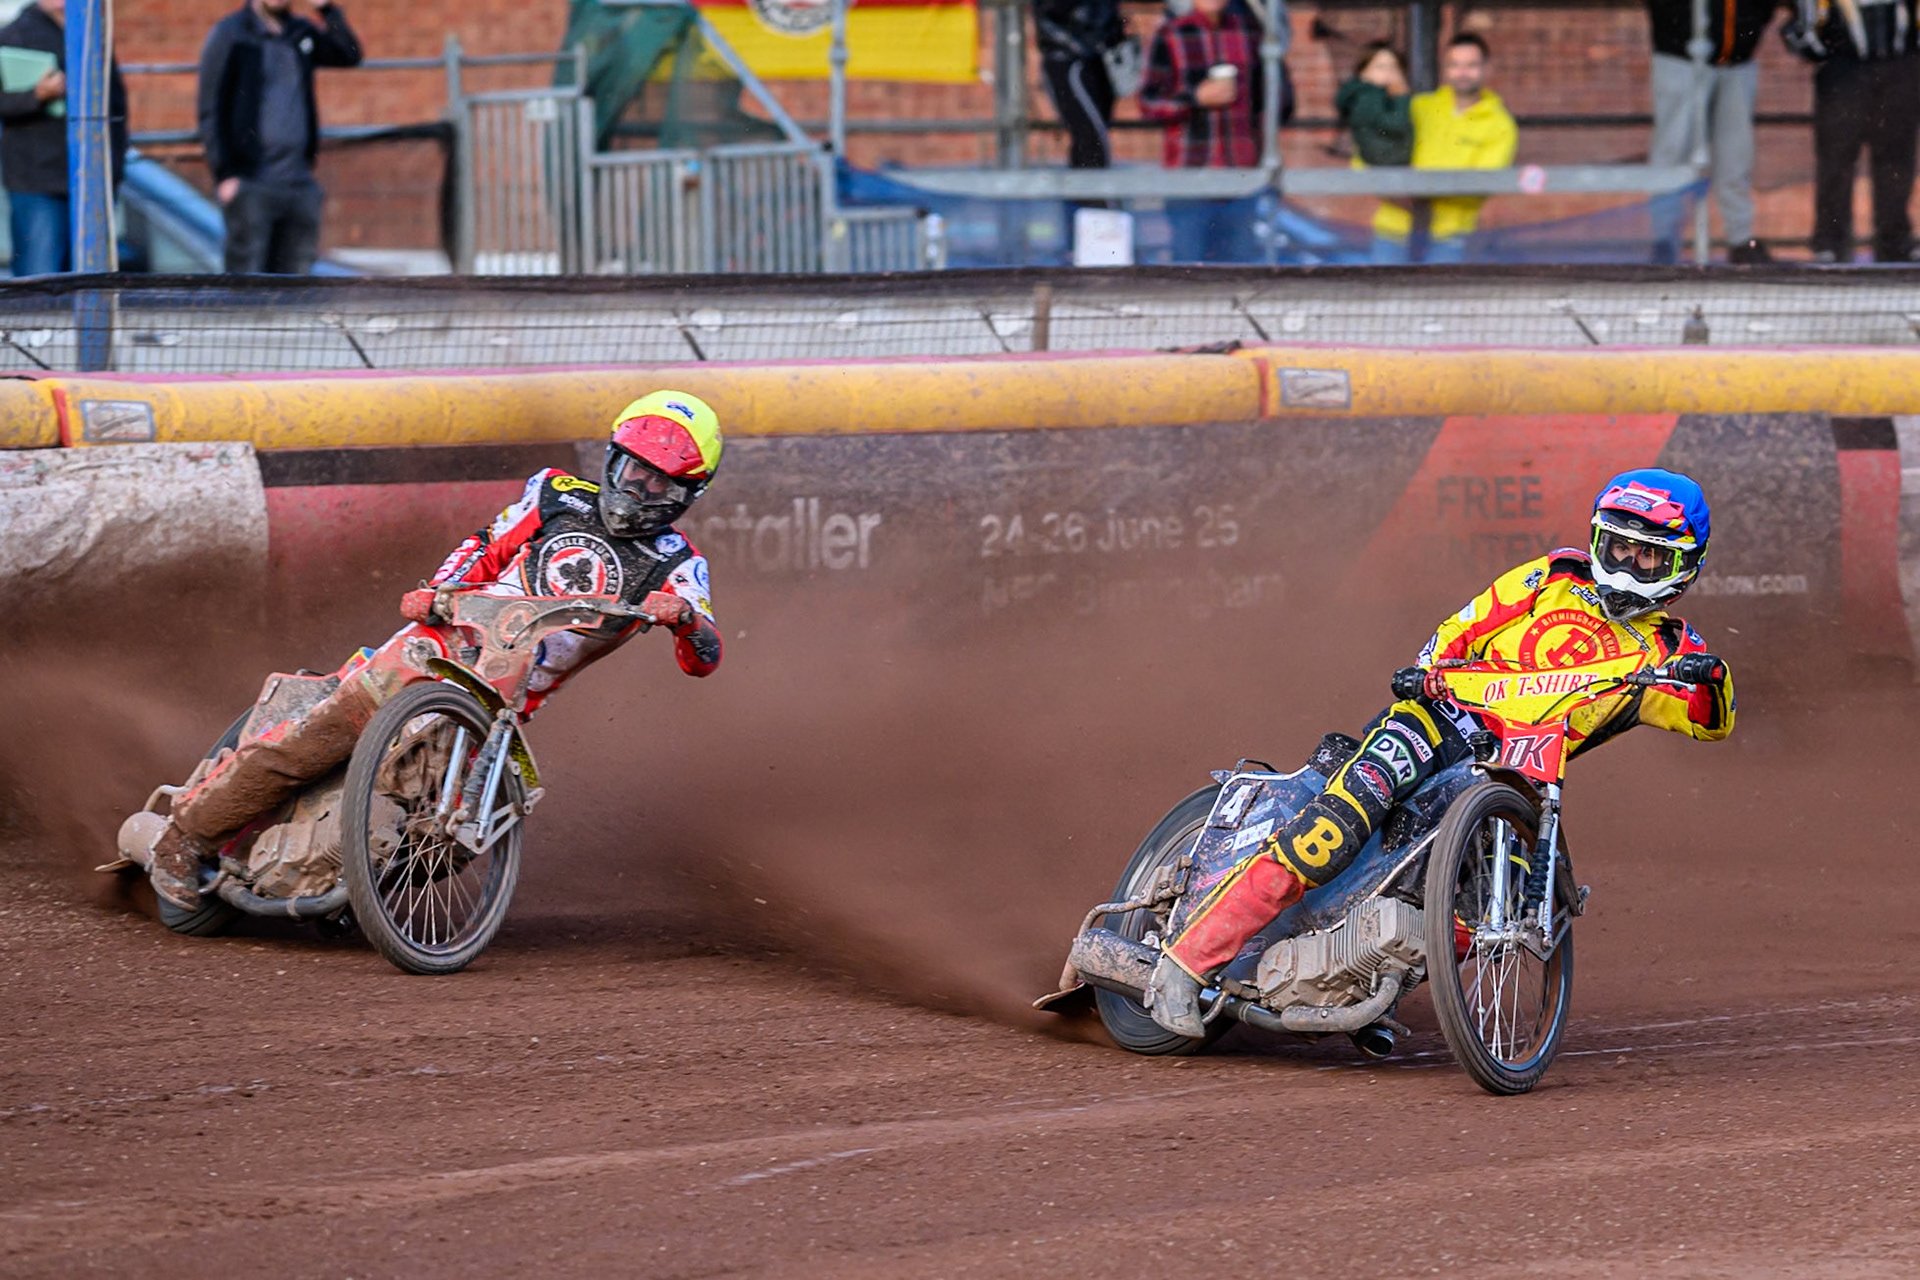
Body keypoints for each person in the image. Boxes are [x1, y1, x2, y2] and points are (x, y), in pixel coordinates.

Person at [1143, 468, 1737, 1037]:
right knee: (1338, 822)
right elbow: (1462, 629)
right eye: (1617, 548)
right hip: (1441, 717)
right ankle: (1185, 964)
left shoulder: (1671, 649)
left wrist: (1711, 679)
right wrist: (1431, 671)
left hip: (1516, 775)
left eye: (1648, 554)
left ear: (1684, 565)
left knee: (1473, 911)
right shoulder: (1553, 578)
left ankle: (1361, 979)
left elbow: (1711, 724)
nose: (1628, 564)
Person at [141, 391, 727, 910]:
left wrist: (683, 622)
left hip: (503, 703)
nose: (636, 487)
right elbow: (487, 544)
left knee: (462, 830)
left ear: (687, 494)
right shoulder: (556, 493)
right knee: (318, 736)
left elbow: (705, 654)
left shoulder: (678, 563)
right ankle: (186, 837)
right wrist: (439, 590)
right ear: (611, 458)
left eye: (658, 482)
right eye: (630, 468)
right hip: (440, 644)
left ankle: (361, 893)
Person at [197, 0, 363, 275]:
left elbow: (350, 53)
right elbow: (210, 109)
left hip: (298, 183)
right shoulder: (232, 34)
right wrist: (225, 174)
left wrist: (327, 10)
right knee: (248, 287)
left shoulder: (300, 33)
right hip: (251, 185)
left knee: (297, 289)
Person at [1140, 0, 1290, 261]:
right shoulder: (1173, 33)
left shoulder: (1251, 31)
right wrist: (1196, 98)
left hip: (1242, 179)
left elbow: (1274, 102)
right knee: (1189, 274)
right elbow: (1148, 102)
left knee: (1239, 275)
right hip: (1190, 180)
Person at [1646, 0, 1781, 264]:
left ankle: (1741, 238)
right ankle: (1664, 239)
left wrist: (1748, 29)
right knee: (1674, 148)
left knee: (1736, 153)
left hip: (1736, 60)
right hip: (1680, 55)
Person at [1784, 0, 1920, 262]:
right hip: (1843, 72)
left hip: (1898, 67)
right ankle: (1831, 243)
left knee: (1896, 159)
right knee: (1836, 158)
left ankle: (1895, 241)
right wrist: (1823, 50)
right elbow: (1804, 25)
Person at [0, 0, 128, 275]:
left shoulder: (95, 34)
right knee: (40, 278)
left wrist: (115, 166)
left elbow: (116, 105)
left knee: (89, 280)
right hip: (38, 182)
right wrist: (37, 95)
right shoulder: (15, 34)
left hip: (92, 177)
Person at [1370, 33, 1516, 265]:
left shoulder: (1500, 125)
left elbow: (1482, 185)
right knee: (1380, 300)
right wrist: (1386, 185)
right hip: (1394, 230)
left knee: (1438, 301)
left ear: (1487, 68)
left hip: (1450, 236)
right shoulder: (1419, 106)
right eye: (1455, 65)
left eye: (1471, 65)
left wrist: (1419, 194)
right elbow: (1372, 148)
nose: (1462, 72)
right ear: (1445, 69)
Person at [1034, 0, 1127, 169]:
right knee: (1090, 138)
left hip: (1098, 57)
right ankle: (1093, 194)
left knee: (1094, 137)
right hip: (1067, 57)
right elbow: (1052, 10)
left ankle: (1087, 194)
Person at [1337, 42, 1412, 166]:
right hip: (1381, 168)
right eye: (1380, 67)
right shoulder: (1368, 96)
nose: (1388, 73)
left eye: (1393, 67)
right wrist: (1401, 97)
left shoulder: (1380, 96)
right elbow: (1396, 124)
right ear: (1363, 72)